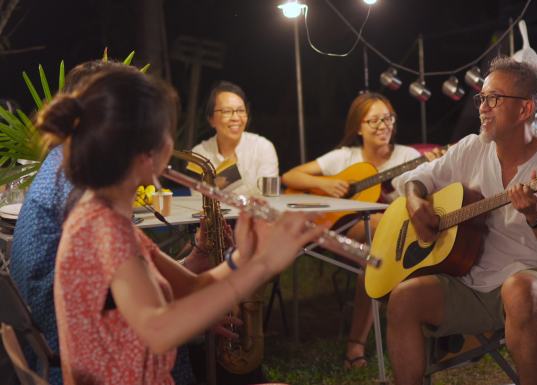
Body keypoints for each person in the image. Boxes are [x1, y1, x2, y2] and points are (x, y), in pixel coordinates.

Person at [36, 66, 322, 385]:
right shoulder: (102, 227)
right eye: (169, 132)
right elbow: (159, 330)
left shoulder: (109, 218)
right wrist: (263, 266)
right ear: (146, 151)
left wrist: (244, 257)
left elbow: (191, 287)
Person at [386, 56, 537, 385]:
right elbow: (417, 178)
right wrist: (414, 201)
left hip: (529, 278)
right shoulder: (470, 148)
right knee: (403, 298)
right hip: (468, 276)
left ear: (524, 110)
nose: (482, 107)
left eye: (493, 99)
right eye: (482, 98)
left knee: (519, 291)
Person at [282, 92, 440, 368]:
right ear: (359, 127)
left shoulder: (409, 156)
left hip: (391, 237)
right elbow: (290, 176)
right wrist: (327, 185)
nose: (383, 125)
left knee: (374, 256)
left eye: (388, 118)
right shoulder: (345, 157)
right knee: (378, 233)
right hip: (342, 228)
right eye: (374, 120)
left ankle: (359, 343)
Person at [191, 81, 278, 195]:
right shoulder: (200, 154)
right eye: (227, 111)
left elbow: (269, 197)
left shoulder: (263, 148)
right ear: (211, 119)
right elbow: (198, 199)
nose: (236, 118)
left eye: (241, 110)